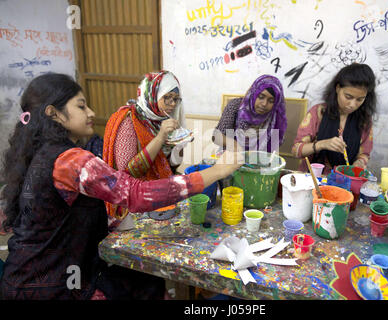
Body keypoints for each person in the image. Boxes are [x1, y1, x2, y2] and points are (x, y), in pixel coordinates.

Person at [0, 73, 241, 300]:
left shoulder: (36, 153)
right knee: (147, 284)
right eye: (81, 106)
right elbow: (135, 191)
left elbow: (55, 213)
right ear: (54, 113)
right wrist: (217, 171)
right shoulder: (72, 160)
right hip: (54, 285)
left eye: (175, 99)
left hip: (27, 276)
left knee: (146, 280)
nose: (91, 112)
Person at [103, 71, 191, 223]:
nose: (172, 104)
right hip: (131, 204)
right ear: (152, 95)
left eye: (175, 99)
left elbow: (170, 166)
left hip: (157, 196)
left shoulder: (162, 120)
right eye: (167, 97)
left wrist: (180, 145)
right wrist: (161, 136)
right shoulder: (129, 120)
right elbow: (129, 172)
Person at [291, 63, 377, 175]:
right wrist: (321, 144)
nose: (352, 104)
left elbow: (364, 154)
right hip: (312, 178)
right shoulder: (318, 113)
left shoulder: (364, 121)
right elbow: (296, 151)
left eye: (360, 99)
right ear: (337, 88)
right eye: (348, 97)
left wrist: (359, 163)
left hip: (344, 180)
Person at [213, 74, 287, 153]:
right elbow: (216, 137)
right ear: (254, 94)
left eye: (271, 101)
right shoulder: (235, 106)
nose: (264, 104)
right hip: (230, 156)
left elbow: (274, 147)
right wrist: (235, 145)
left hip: (258, 160)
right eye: (261, 97)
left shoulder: (275, 118)